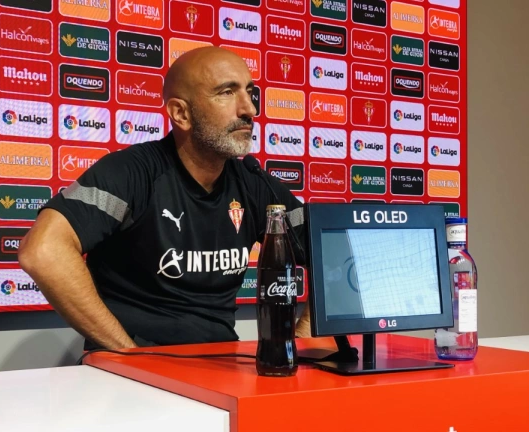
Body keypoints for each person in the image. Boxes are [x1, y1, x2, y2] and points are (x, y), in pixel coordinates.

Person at [18, 46, 310, 350]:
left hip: (220, 363)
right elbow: (42, 250)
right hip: (130, 367)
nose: (249, 109)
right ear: (181, 113)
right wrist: (129, 356)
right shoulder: (131, 172)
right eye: (226, 92)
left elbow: (330, 252)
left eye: (249, 92)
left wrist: (302, 342)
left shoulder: (253, 183)